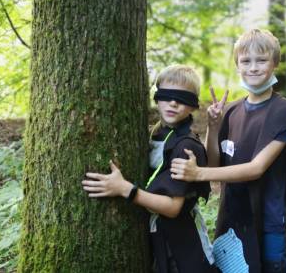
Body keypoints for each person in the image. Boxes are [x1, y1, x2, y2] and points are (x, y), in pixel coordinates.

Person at [170, 29, 286, 273]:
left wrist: (197, 174)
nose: (253, 67)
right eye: (246, 61)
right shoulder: (232, 111)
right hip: (233, 218)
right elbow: (215, 165)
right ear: (237, 65)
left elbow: (256, 169)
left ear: (275, 63)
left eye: (261, 60)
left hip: (270, 221)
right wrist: (213, 127)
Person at [82, 65, 215, 273]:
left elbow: (172, 208)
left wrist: (125, 189)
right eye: (167, 95)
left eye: (182, 98)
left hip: (184, 248)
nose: (173, 102)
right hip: (159, 239)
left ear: (193, 106)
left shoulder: (185, 147)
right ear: (157, 97)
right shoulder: (155, 133)